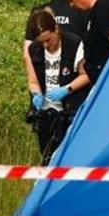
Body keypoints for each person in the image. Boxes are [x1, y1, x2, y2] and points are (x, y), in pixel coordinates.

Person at [25, 9, 90, 164]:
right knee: (47, 157)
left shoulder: (74, 43)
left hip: (69, 109)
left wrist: (67, 89)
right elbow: (33, 80)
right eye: (42, 42)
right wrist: (36, 94)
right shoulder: (34, 48)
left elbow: (87, 75)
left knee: (69, 158)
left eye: (48, 39)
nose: (46, 45)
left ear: (56, 29)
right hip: (46, 112)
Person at [22, 0, 90, 94]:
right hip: (76, 88)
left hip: (44, 86)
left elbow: (27, 54)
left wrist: (34, 86)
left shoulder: (38, 13)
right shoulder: (82, 10)